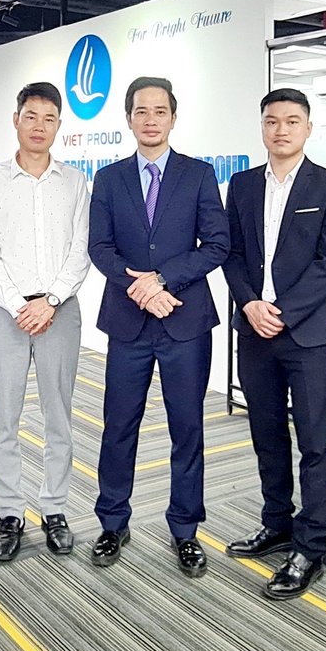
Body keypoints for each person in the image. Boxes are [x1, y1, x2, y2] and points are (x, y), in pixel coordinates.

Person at [88, 76, 229, 578]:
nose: (151, 119)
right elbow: (99, 247)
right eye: (141, 111)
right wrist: (141, 288)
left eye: (160, 111)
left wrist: (163, 279)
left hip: (184, 321)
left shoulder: (198, 174)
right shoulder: (109, 178)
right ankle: (112, 522)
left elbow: (217, 244)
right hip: (128, 322)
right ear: (128, 118)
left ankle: (185, 530)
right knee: (118, 426)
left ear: (173, 117)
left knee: (186, 428)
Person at [222, 89, 326, 600]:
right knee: (267, 433)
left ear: (308, 129)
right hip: (255, 331)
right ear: (262, 127)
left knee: (316, 442)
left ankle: (310, 546)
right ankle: (276, 522)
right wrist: (251, 303)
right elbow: (231, 254)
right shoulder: (242, 184)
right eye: (272, 121)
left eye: (292, 121)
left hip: (307, 335)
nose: (281, 130)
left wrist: (283, 311)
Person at [0, 82, 92, 561]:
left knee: (58, 414)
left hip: (60, 311)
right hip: (5, 312)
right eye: (31, 116)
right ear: (16, 120)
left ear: (59, 125)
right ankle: (10, 511)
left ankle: (55, 507)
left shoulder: (75, 182)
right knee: (4, 416)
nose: (39, 126)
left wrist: (52, 299)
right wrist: (16, 303)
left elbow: (81, 249)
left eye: (49, 118)